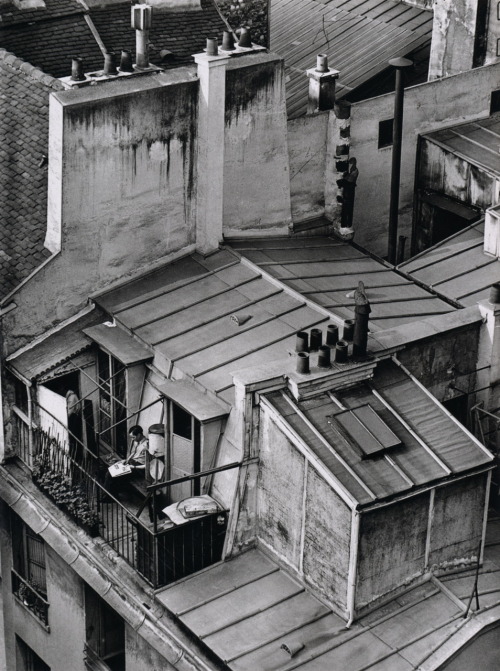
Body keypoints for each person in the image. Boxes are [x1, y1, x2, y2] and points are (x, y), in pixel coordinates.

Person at [103, 425, 148, 499]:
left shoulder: (147, 445)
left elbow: (148, 465)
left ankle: (108, 497)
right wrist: (127, 460)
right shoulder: (137, 441)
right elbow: (133, 452)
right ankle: (110, 495)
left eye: (133, 437)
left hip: (139, 468)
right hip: (132, 463)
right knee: (110, 470)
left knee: (111, 474)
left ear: (139, 435)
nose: (133, 439)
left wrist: (134, 467)